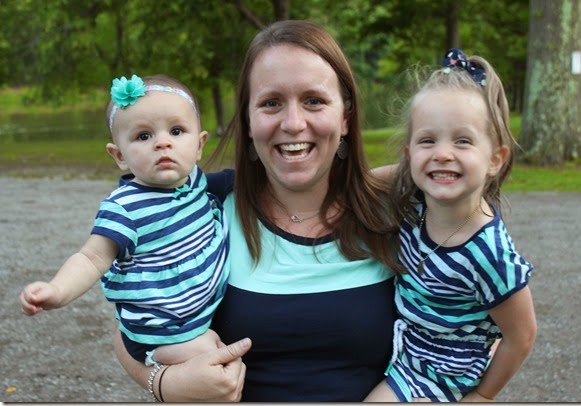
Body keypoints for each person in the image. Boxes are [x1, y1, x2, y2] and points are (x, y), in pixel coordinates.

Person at [113, 19, 406, 402]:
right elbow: (130, 326)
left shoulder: (392, 212)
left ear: (345, 118)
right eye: (271, 103)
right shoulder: (200, 204)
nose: (293, 123)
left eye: (314, 101)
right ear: (248, 122)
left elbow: (472, 335)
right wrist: (166, 384)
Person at [20, 74, 230, 380]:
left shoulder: (196, 181)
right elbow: (91, 258)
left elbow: (242, 179)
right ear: (120, 156)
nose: (163, 143)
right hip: (161, 327)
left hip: (200, 307)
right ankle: (155, 355)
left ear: (199, 145)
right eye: (143, 136)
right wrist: (57, 290)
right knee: (217, 357)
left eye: (176, 131)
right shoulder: (125, 209)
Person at [364, 48, 537, 402]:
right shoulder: (416, 200)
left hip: (438, 376)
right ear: (409, 155)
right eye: (428, 140)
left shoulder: (489, 254)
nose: (442, 154)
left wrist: (482, 396)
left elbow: (522, 335)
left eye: (462, 141)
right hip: (403, 347)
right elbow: (366, 182)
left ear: (495, 159)